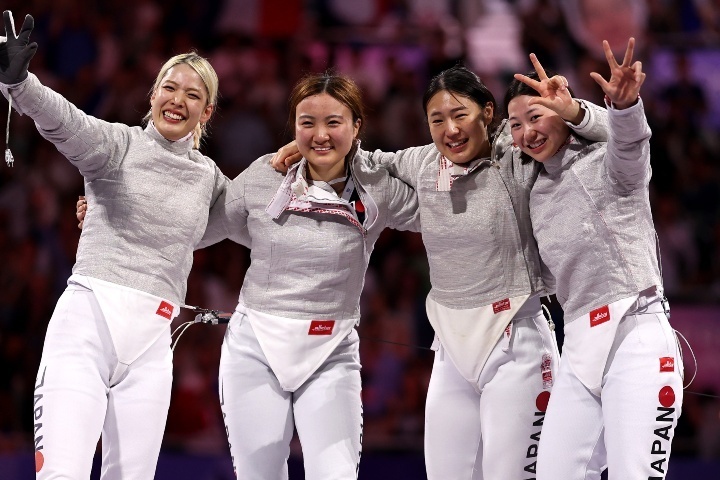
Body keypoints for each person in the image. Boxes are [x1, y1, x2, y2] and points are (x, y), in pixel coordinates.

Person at [272, 63, 609, 479]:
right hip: (451, 352)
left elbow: (610, 138)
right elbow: (365, 160)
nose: (450, 129)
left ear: (488, 112)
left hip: (516, 345)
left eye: (460, 114)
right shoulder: (422, 163)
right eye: (437, 119)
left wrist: (574, 111)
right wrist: (310, 144)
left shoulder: (518, 151)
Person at [0, 11, 227, 479]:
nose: (177, 100)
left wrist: (303, 164)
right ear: (153, 94)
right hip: (86, 329)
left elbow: (259, 214)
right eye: (170, 87)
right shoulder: (117, 146)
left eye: (193, 94)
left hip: (151, 349)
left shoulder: (210, 182)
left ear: (206, 112)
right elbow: (65, 121)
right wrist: (20, 83)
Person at [198, 72, 419, 479]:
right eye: (307, 123)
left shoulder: (376, 186)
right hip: (255, 348)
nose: (320, 134)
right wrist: (107, 217)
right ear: (293, 125)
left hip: (331, 351)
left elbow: (444, 212)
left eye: (333, 123)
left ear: (356, 127)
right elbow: (194, 228)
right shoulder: (264, 176)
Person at [504, 38, 683, 479]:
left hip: (635, 336)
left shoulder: (609, 162)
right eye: (514, 124)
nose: (527, 132)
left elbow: (627, 140)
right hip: (580, 348)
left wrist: (622, 107)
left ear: (563, 113)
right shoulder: (534, 190)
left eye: (536, 116)